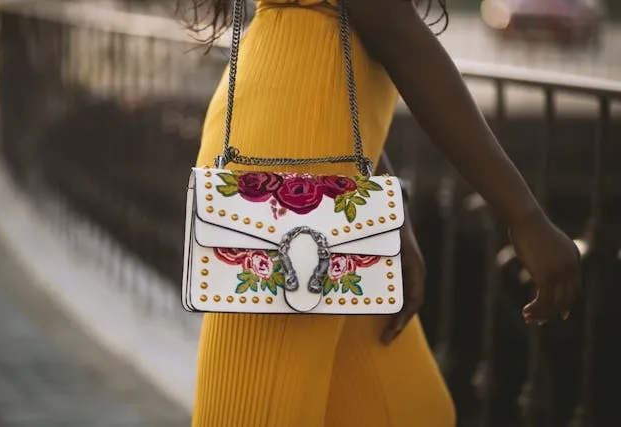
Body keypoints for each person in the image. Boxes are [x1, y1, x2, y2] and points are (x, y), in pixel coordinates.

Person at [177, 1, 582, 426]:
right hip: (287, 169)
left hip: (315, 159)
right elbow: (394, 31)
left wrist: (385, 212)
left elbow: (351, 54)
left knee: (410, 411)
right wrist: (524, 215)